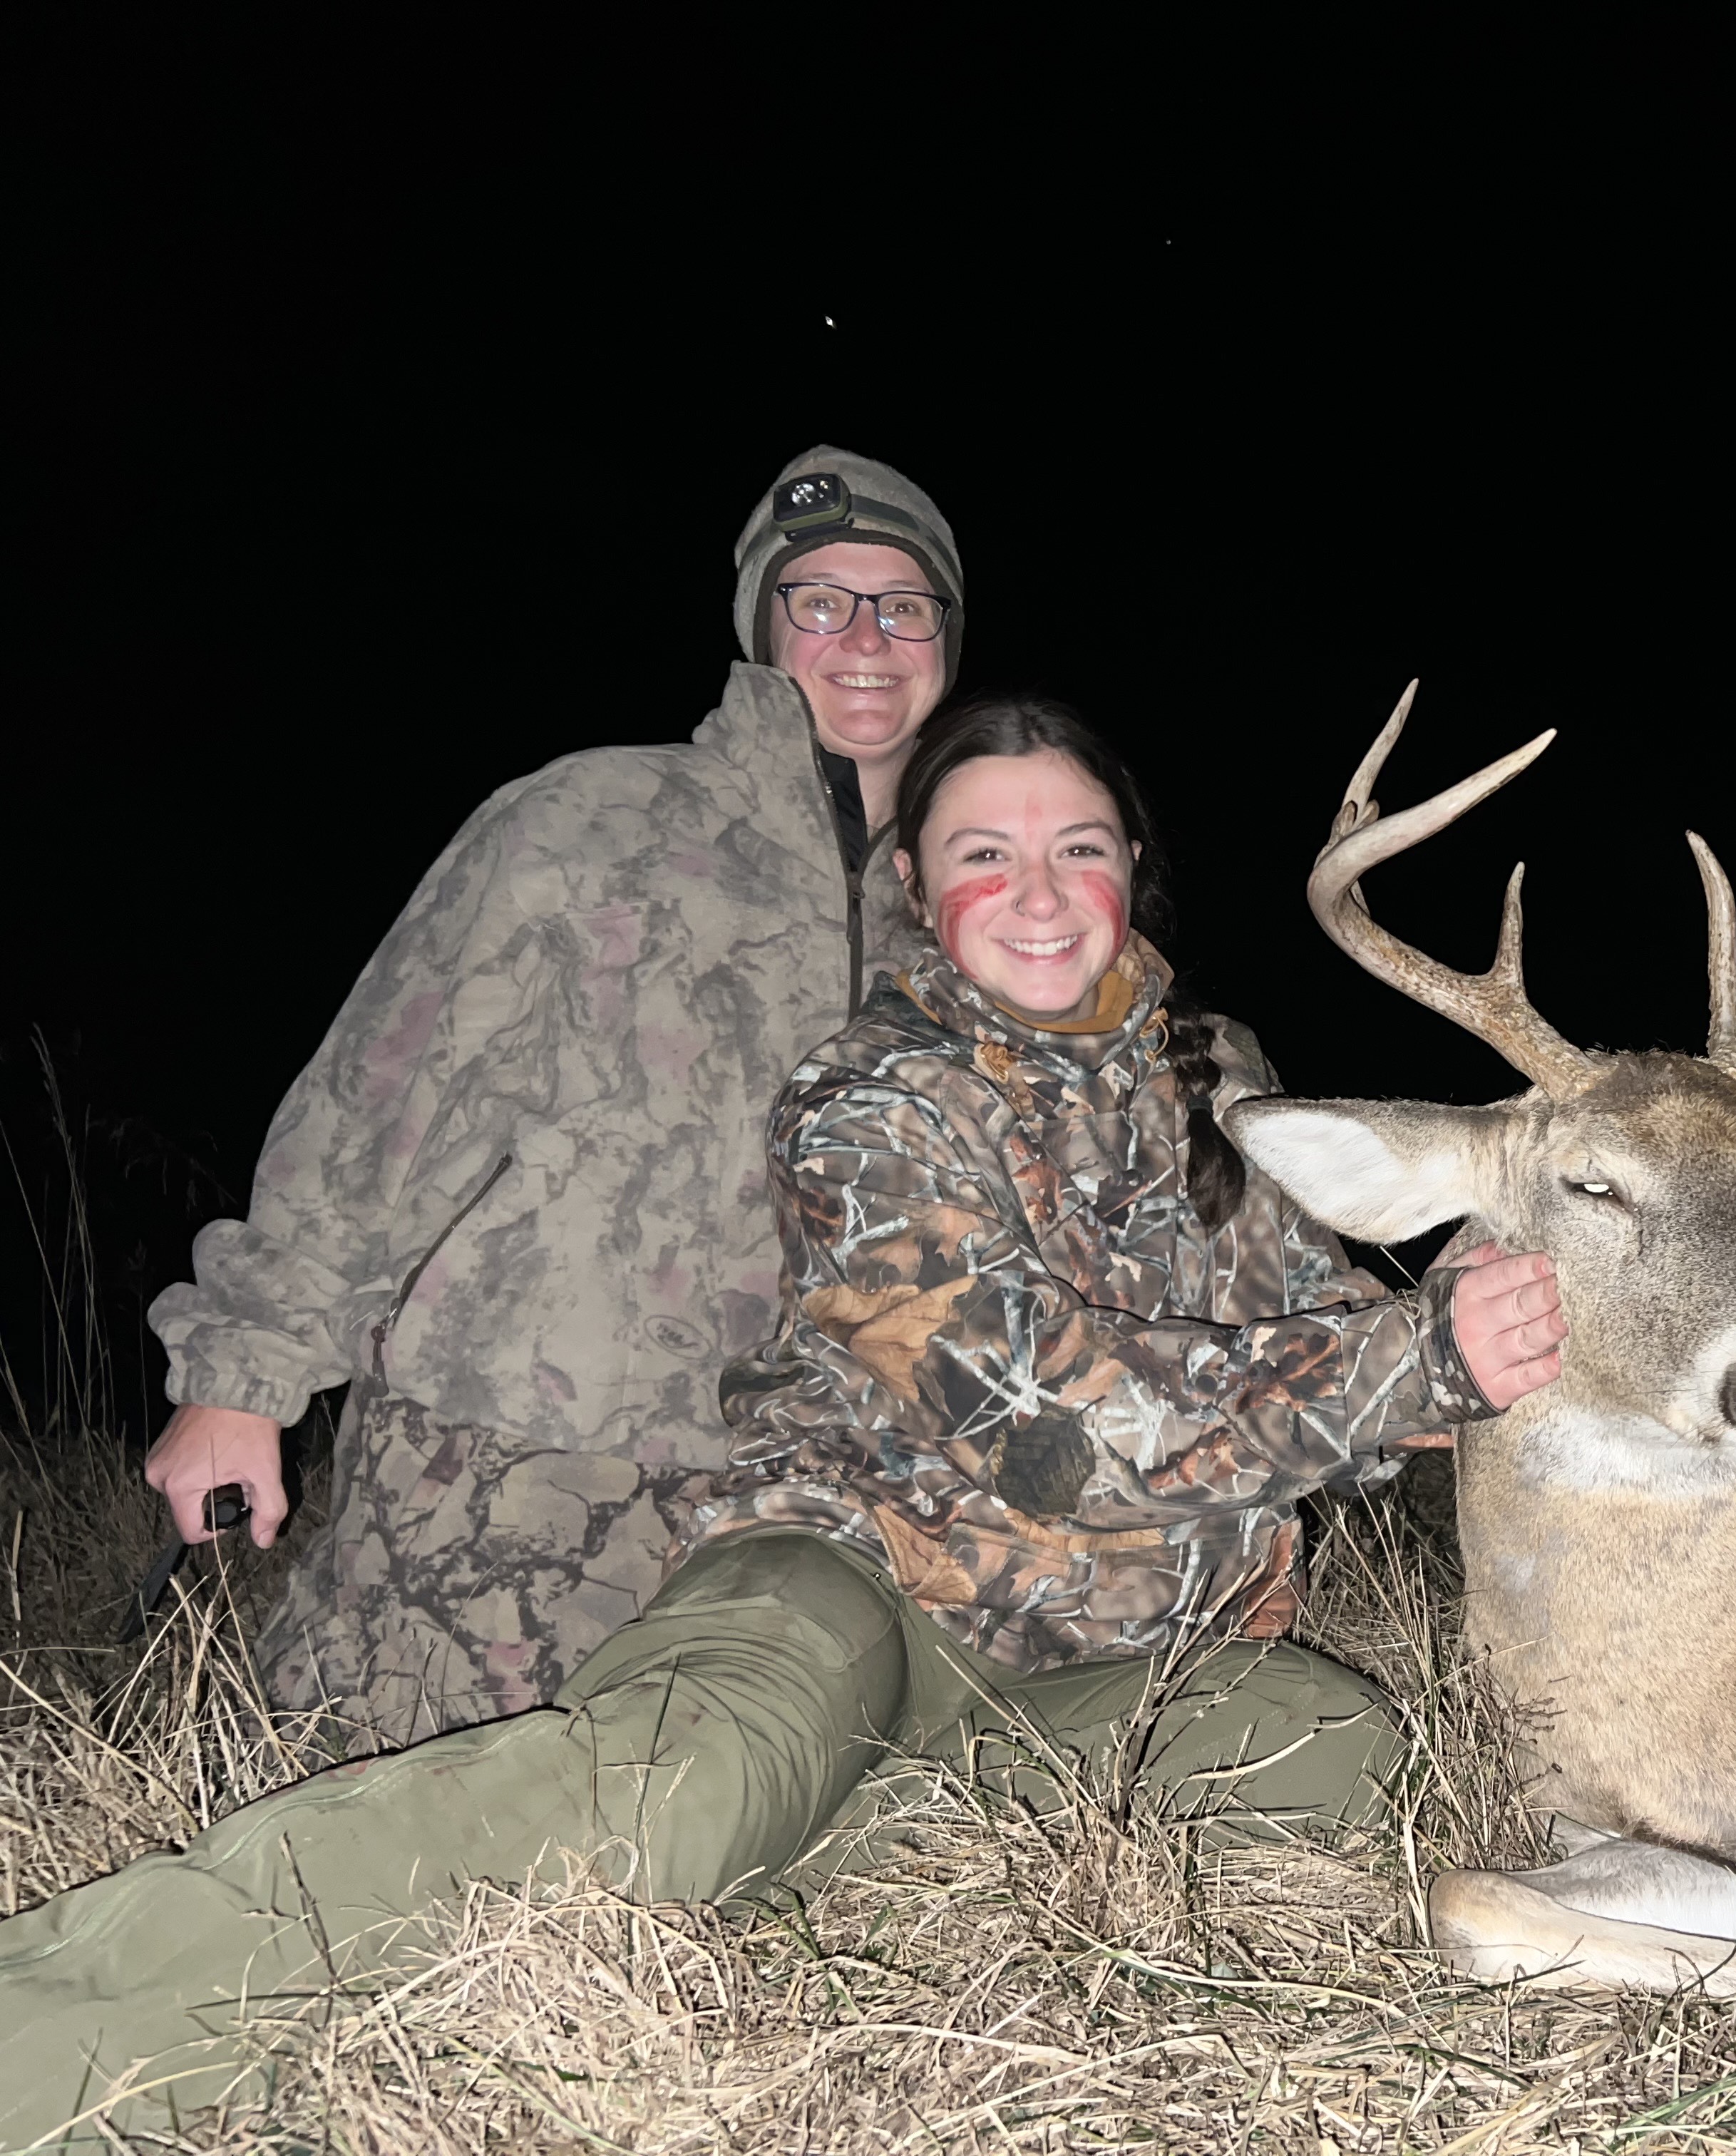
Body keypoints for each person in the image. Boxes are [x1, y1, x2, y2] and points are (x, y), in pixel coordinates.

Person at [0, 693, 1564, 2148]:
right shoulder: (869, 1098)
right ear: (917, 888)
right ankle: (54, 2029)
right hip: (850, 1587)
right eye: (985, 855)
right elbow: (1043, 1433)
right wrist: (1416, 1363)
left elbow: (1324, 1340)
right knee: (679, 1784)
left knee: (1337, 1745)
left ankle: (787, 1850)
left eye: (1079, 849)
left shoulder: (1222, 1080)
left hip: (1092, 1668)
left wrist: (1499, 1312)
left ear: (1130, 872)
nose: (1037, 893)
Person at [139, 448, 966, 1745]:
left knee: (746, 1819)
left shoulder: (978, 899)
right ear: (762, 627)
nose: (865, 638)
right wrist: (242, 1375)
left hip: (804, 1494)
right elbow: (385, 1104)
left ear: (947, 641)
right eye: (820, 600)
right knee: (416, 1800)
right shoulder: (589, 819)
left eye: (904, 606)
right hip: (513, 1451)